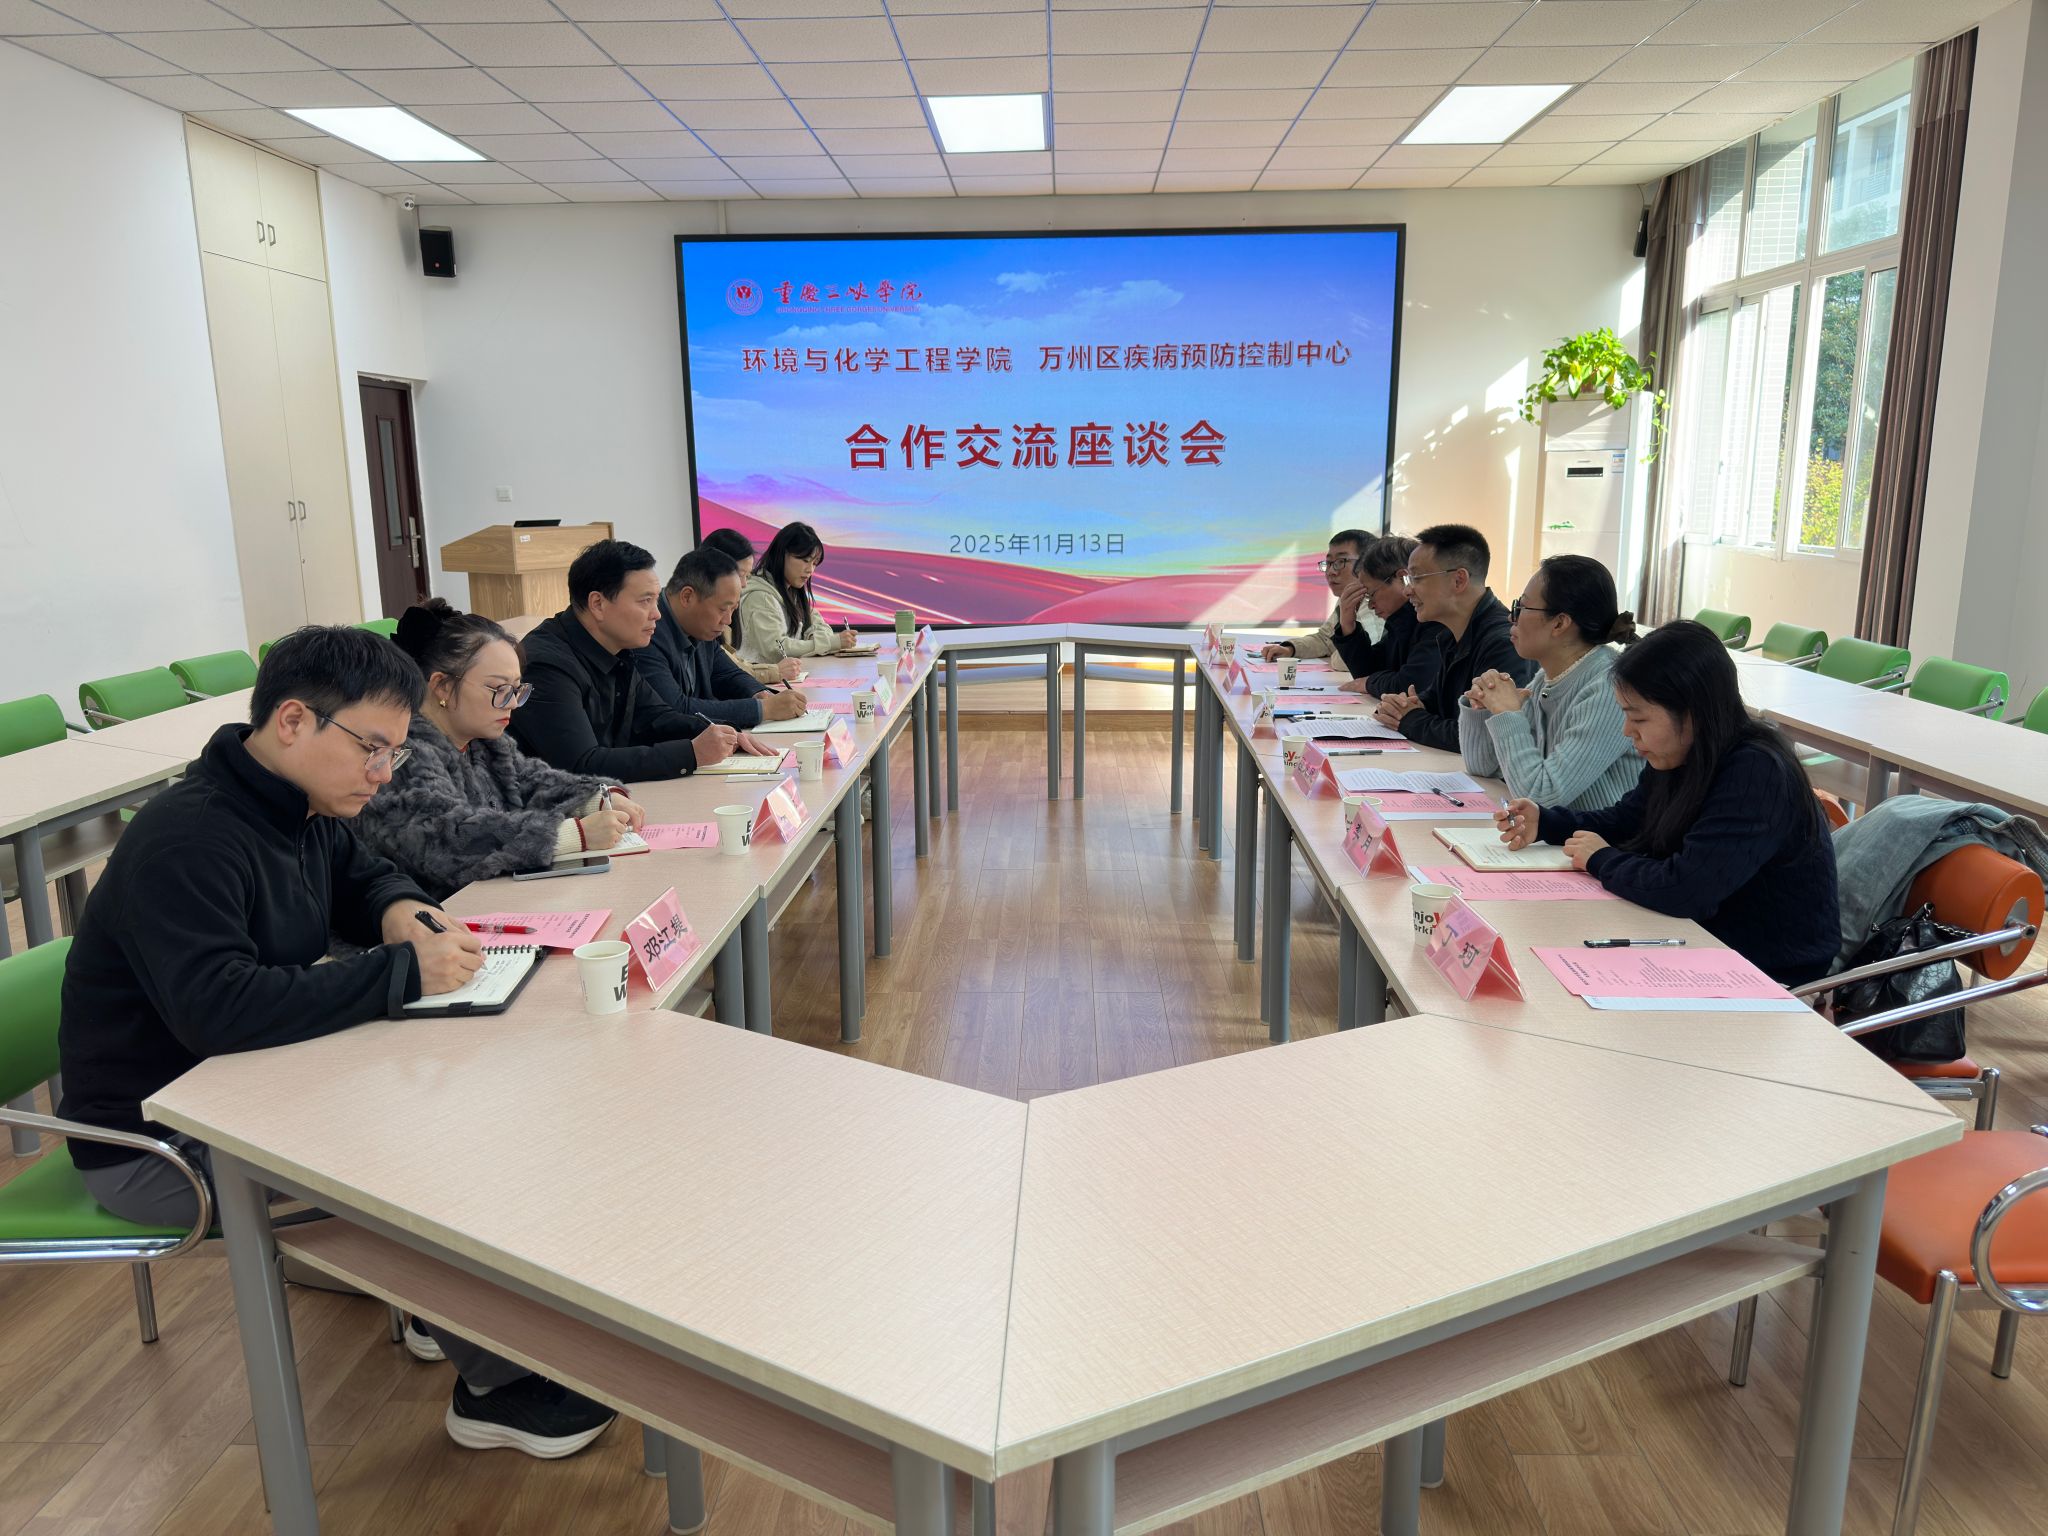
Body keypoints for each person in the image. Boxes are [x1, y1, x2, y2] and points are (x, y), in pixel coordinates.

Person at [57, 628, 621, 1458]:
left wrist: (399, 910)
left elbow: (362, 876)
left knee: (473, 1105)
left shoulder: (301, 803)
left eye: (395, 751)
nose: (383, 773)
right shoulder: (189, 838)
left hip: (258, 1088)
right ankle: (497, 1385)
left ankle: (447, 1309)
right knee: (417, 1163)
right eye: (371, 748)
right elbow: (219, 1010)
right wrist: (402, 971)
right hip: (157, 1142)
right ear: (293, 721)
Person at [1493, 619, 1840, 986]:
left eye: (1638, 717)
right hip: (1697, 941)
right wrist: (1547, 823)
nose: (1628, 731)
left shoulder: (1757, 771)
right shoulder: (1681, 753)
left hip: (1768, 974)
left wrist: (1600, 859)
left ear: (1691, 713)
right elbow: (1628, 820)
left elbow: (1687, 889)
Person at [355, 600, 648, 900]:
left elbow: (532, 781)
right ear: (442, 686)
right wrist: (574, 835)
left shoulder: (484, 741)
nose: (512, 703)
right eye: (499, 690)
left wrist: (595, 799)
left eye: (517, 689)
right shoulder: (399, 754)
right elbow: (446, 840)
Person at [510, 539, 766, 780]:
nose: (657, 614)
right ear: (598, 604)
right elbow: (581, 764)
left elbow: (657, 716)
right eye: (645, 601)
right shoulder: (546, 665)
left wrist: (721, 732)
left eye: (655, 600)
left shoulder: (618, 647)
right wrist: (691, 753)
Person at [1457, 554, 1642, 812]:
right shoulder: (1547, 678)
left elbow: (1541, 796)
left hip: (1603, 837)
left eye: (1520, 607)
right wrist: (1483, 707)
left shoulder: (1609, 689)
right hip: (1561, 833)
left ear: (1559, 623)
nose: (1511, 618)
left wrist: (1508, 714)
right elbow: (1482, 767)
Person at [1374, 523, 1536, 750]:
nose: (1407, 590)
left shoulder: (1504, 642)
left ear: (1459, 580)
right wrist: (1405, 705)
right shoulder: (1453, 632)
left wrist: (1409, 719)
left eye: (1417, 578)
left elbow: (1484, 737)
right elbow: (1437, 701)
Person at [635, 546, 813, 727]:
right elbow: (675, 709)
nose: (728, 620)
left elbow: (727, 673)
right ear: (687, 597)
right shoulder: (647, 634)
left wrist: (760, 694)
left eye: (733, 609)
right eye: (722, 609)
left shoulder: (699, 626)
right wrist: (763, 709)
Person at [1333, 535, 1448, 697]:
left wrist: (1369, 683)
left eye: (1371, 594)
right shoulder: (1402, 620)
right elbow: (1370, 671)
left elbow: (1413, 685)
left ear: (1402, 578)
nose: (1371, 605)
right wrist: (1347, 624)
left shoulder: (1436, 619)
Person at [734, 521, 858, 666]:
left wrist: (814, 637)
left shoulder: (791, 591)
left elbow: (819, 624)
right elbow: (777, 651)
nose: (810, 570)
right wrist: (829, 643)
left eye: (814, 563)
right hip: (761, 678)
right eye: (805, 560)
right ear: (782, 554)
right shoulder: (761, 596)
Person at [701, 526, 802, 687]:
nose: (744, 584)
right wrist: (775, 672)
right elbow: (726, 669)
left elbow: (730, 661)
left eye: (747, 576)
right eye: (740, 575)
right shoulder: (757, 596)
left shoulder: (796, 591)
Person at [1259, 529, 1372, 662]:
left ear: (1366, 564)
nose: (1331, 572)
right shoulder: (1346, 598)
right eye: (1328, 563)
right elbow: (1324, 639)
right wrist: (1290, 649)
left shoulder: (1375, 603)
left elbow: (1362, 659)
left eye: (1341, 562)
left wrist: (1336, 653)